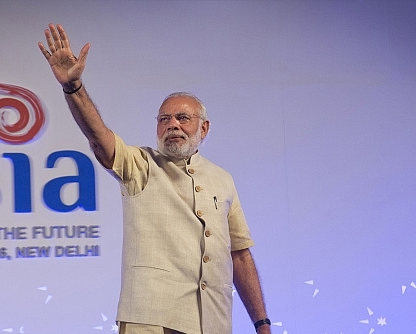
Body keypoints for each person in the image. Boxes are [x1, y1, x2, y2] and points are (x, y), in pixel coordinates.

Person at [38, 24, 272, 334]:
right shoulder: (141, 164)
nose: (173, 124)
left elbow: (240, 255)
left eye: (183, 118)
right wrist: (73, 87)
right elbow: (99, 138)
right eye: (165, 119)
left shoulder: (222, 179)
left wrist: (262, 323)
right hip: (151, 320)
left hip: (213, 322)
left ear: (203, 128)